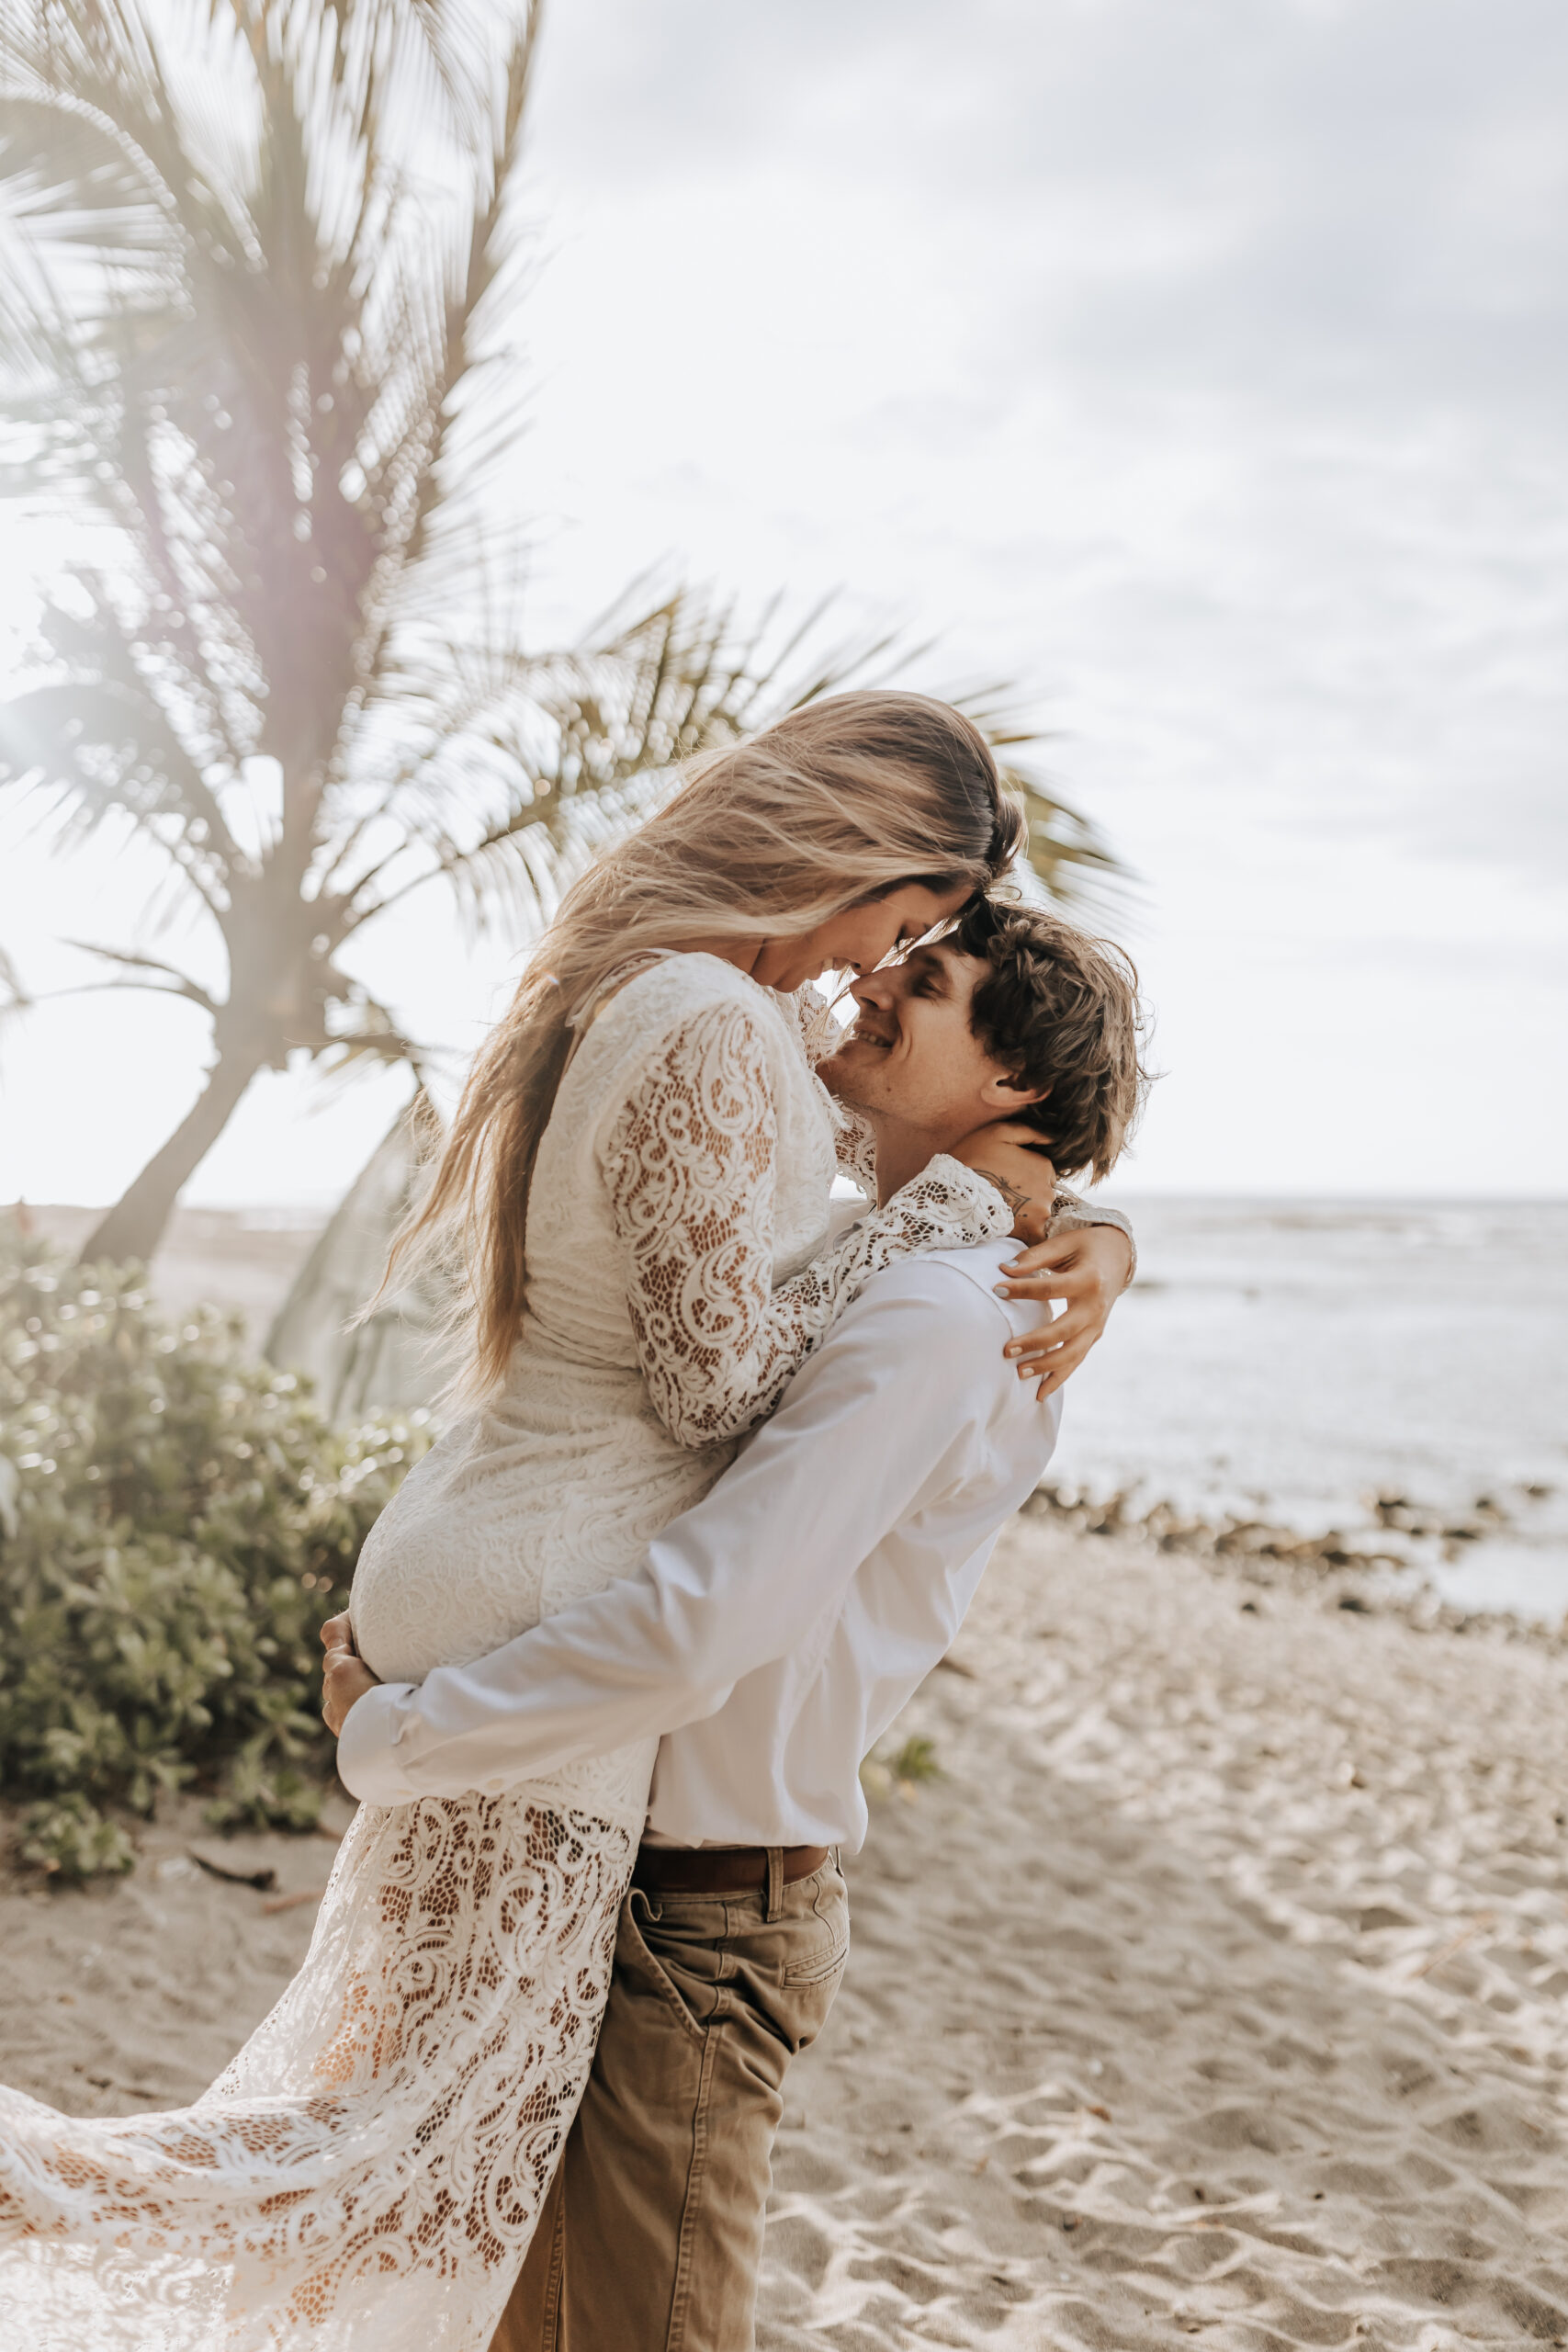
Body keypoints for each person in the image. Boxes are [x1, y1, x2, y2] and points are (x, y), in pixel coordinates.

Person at [0, 695, 1133, 2352]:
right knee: (376, 2176)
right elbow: (721, 1413)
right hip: (600, 1738)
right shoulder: (741, 1040)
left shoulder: (749, 1055)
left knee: (408, 2197)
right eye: (899, 930)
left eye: (917, 963)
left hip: (615, 1747)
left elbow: (889, 1190)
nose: (868, 973)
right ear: (850, 853)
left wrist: (1069, 1214)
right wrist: (987, 1202)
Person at [323, 898, 1146, 2352]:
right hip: (614, 1874)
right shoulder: (896, 1259)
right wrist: (1101, 1225)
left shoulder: (941, 1313)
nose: (873, 982)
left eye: (926, 981)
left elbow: (698, 1626)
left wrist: (398, 1735)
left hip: (694, 1927)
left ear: (1013, 1079)